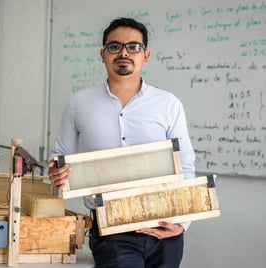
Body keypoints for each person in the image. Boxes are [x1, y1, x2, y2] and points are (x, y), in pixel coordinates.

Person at [48, 17, 196, 268]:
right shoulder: (79, 104)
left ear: (145, 55)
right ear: (103, 54)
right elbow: (59, 157)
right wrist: (56, 172)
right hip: (111, 232)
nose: (124, 52)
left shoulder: (168, 104)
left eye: (133, 46)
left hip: (164, 228)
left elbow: (186, 166)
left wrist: (183, 222)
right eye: (114, 46)